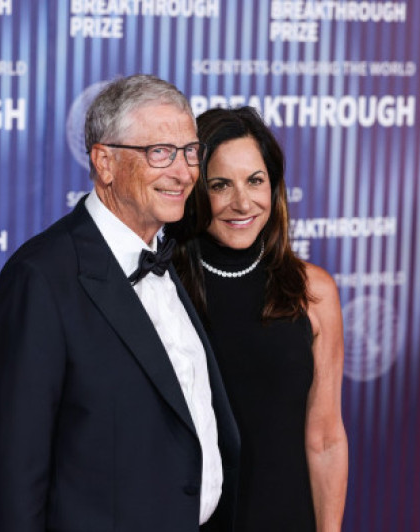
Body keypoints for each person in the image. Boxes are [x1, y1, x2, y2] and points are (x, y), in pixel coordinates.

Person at [0, 74, 240, 531]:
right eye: (160, 153)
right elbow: (11, 475)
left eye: (190, 151)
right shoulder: (40, 280)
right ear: (105, 162)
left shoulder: (163, 256)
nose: (185, 171)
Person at [167, 106, 348, 531]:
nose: (242, 202)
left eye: (255, 181)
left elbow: (325, 439)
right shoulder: (163, 289)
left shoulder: (313, 291)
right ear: (194, 191)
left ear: (274, 186)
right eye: (220, 185)